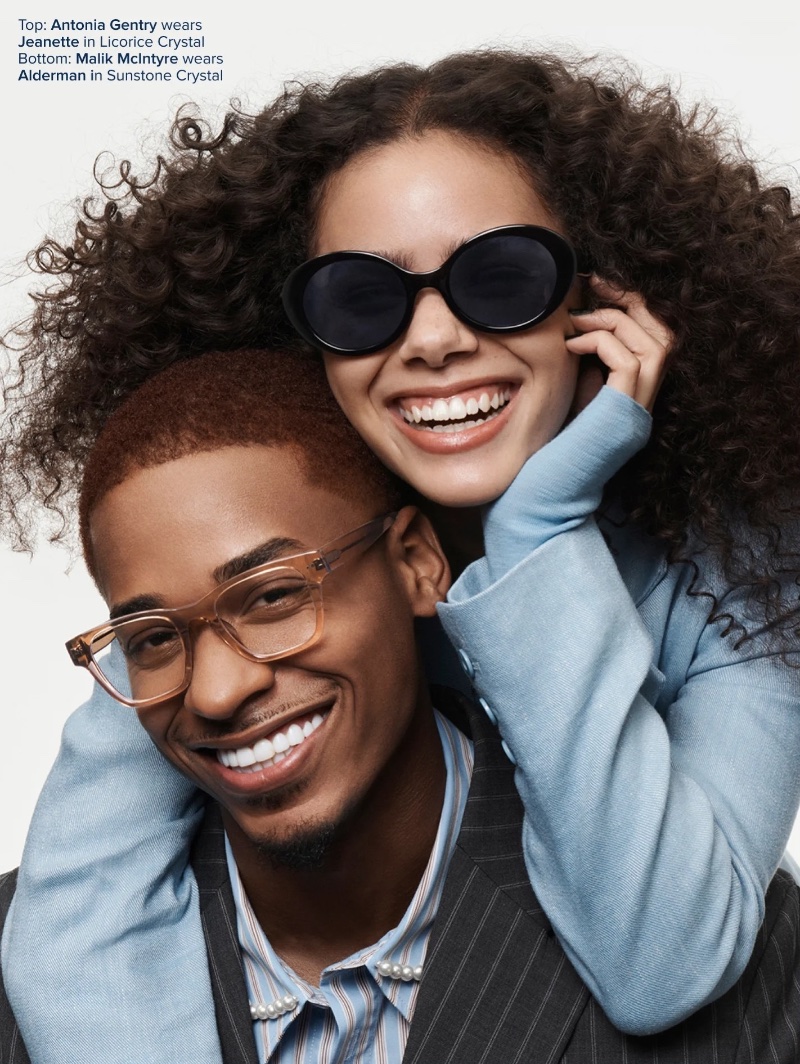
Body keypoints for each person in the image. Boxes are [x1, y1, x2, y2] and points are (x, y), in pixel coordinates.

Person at [2, 47, 800, 1058]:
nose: (430, 337)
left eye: (499, 278)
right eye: (359, 300)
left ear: (597, 299)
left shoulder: (751, 568)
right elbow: (77, 933)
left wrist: (540, 524)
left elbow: (661, 963)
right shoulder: (239, 585)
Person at [2, 349, 800, 1064]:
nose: (215, 691)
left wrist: (539, 526)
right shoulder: (37, 955)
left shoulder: (748, 952)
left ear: (419, 563)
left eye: (276, 594)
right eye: (150, 639)